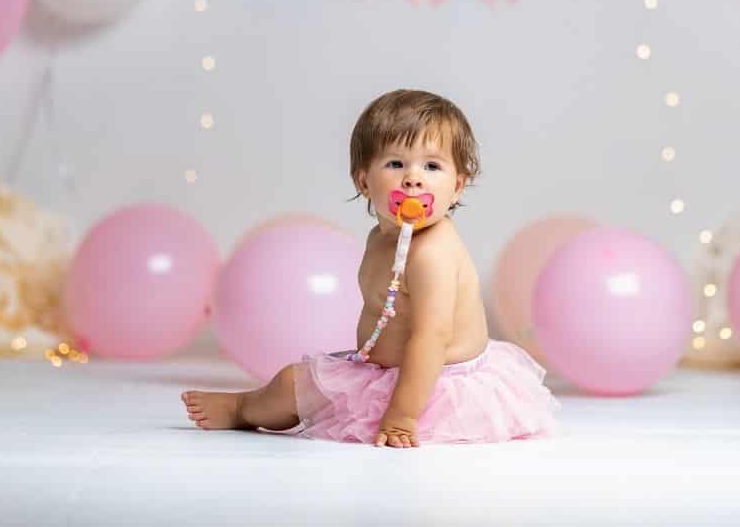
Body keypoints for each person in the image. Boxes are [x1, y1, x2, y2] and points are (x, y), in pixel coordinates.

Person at [181, 89, 559, 446]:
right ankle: (246, 405)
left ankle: (241, 409)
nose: (413, 177)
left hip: (432, 380)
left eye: (432, 166)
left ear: (457, 186)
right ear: (363, 180)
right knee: (291, 384)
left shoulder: (432, 254)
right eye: (396, 163)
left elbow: (432, 338)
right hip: (382, 368)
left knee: (290, 388)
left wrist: (403, 415)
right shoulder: (381, 238)